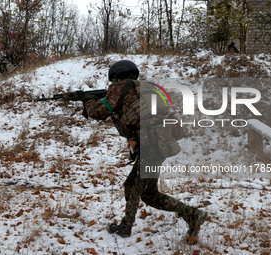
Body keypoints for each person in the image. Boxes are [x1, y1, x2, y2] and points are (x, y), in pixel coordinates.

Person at [83, 60, 207, 244]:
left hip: (151, 143)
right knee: (149, 194)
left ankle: (126, 227)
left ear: (116, 75)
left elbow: (100, 111)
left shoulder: (119, 87)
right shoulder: (147, 88)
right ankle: (191, 214)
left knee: (132, 185)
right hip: (160, 142)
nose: (112, 83)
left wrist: (87, 103)